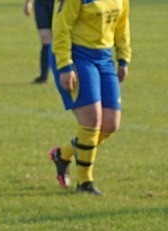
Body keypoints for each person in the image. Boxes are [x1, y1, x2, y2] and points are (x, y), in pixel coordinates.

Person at [49, 0, 131, 195]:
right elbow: (61, 26)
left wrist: (123, 57)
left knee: (110, 124)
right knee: (92, 120)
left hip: (104, 57)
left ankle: (63, 154)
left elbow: (122, 24)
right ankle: (85, 183)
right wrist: (65, 65)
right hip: (77, 55)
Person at [23, 0, 54, 84]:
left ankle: (67, 72)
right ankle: (44, 76)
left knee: (61, 38)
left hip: (58, 4)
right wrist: (28, 3)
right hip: (41, 4)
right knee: (45, 40)